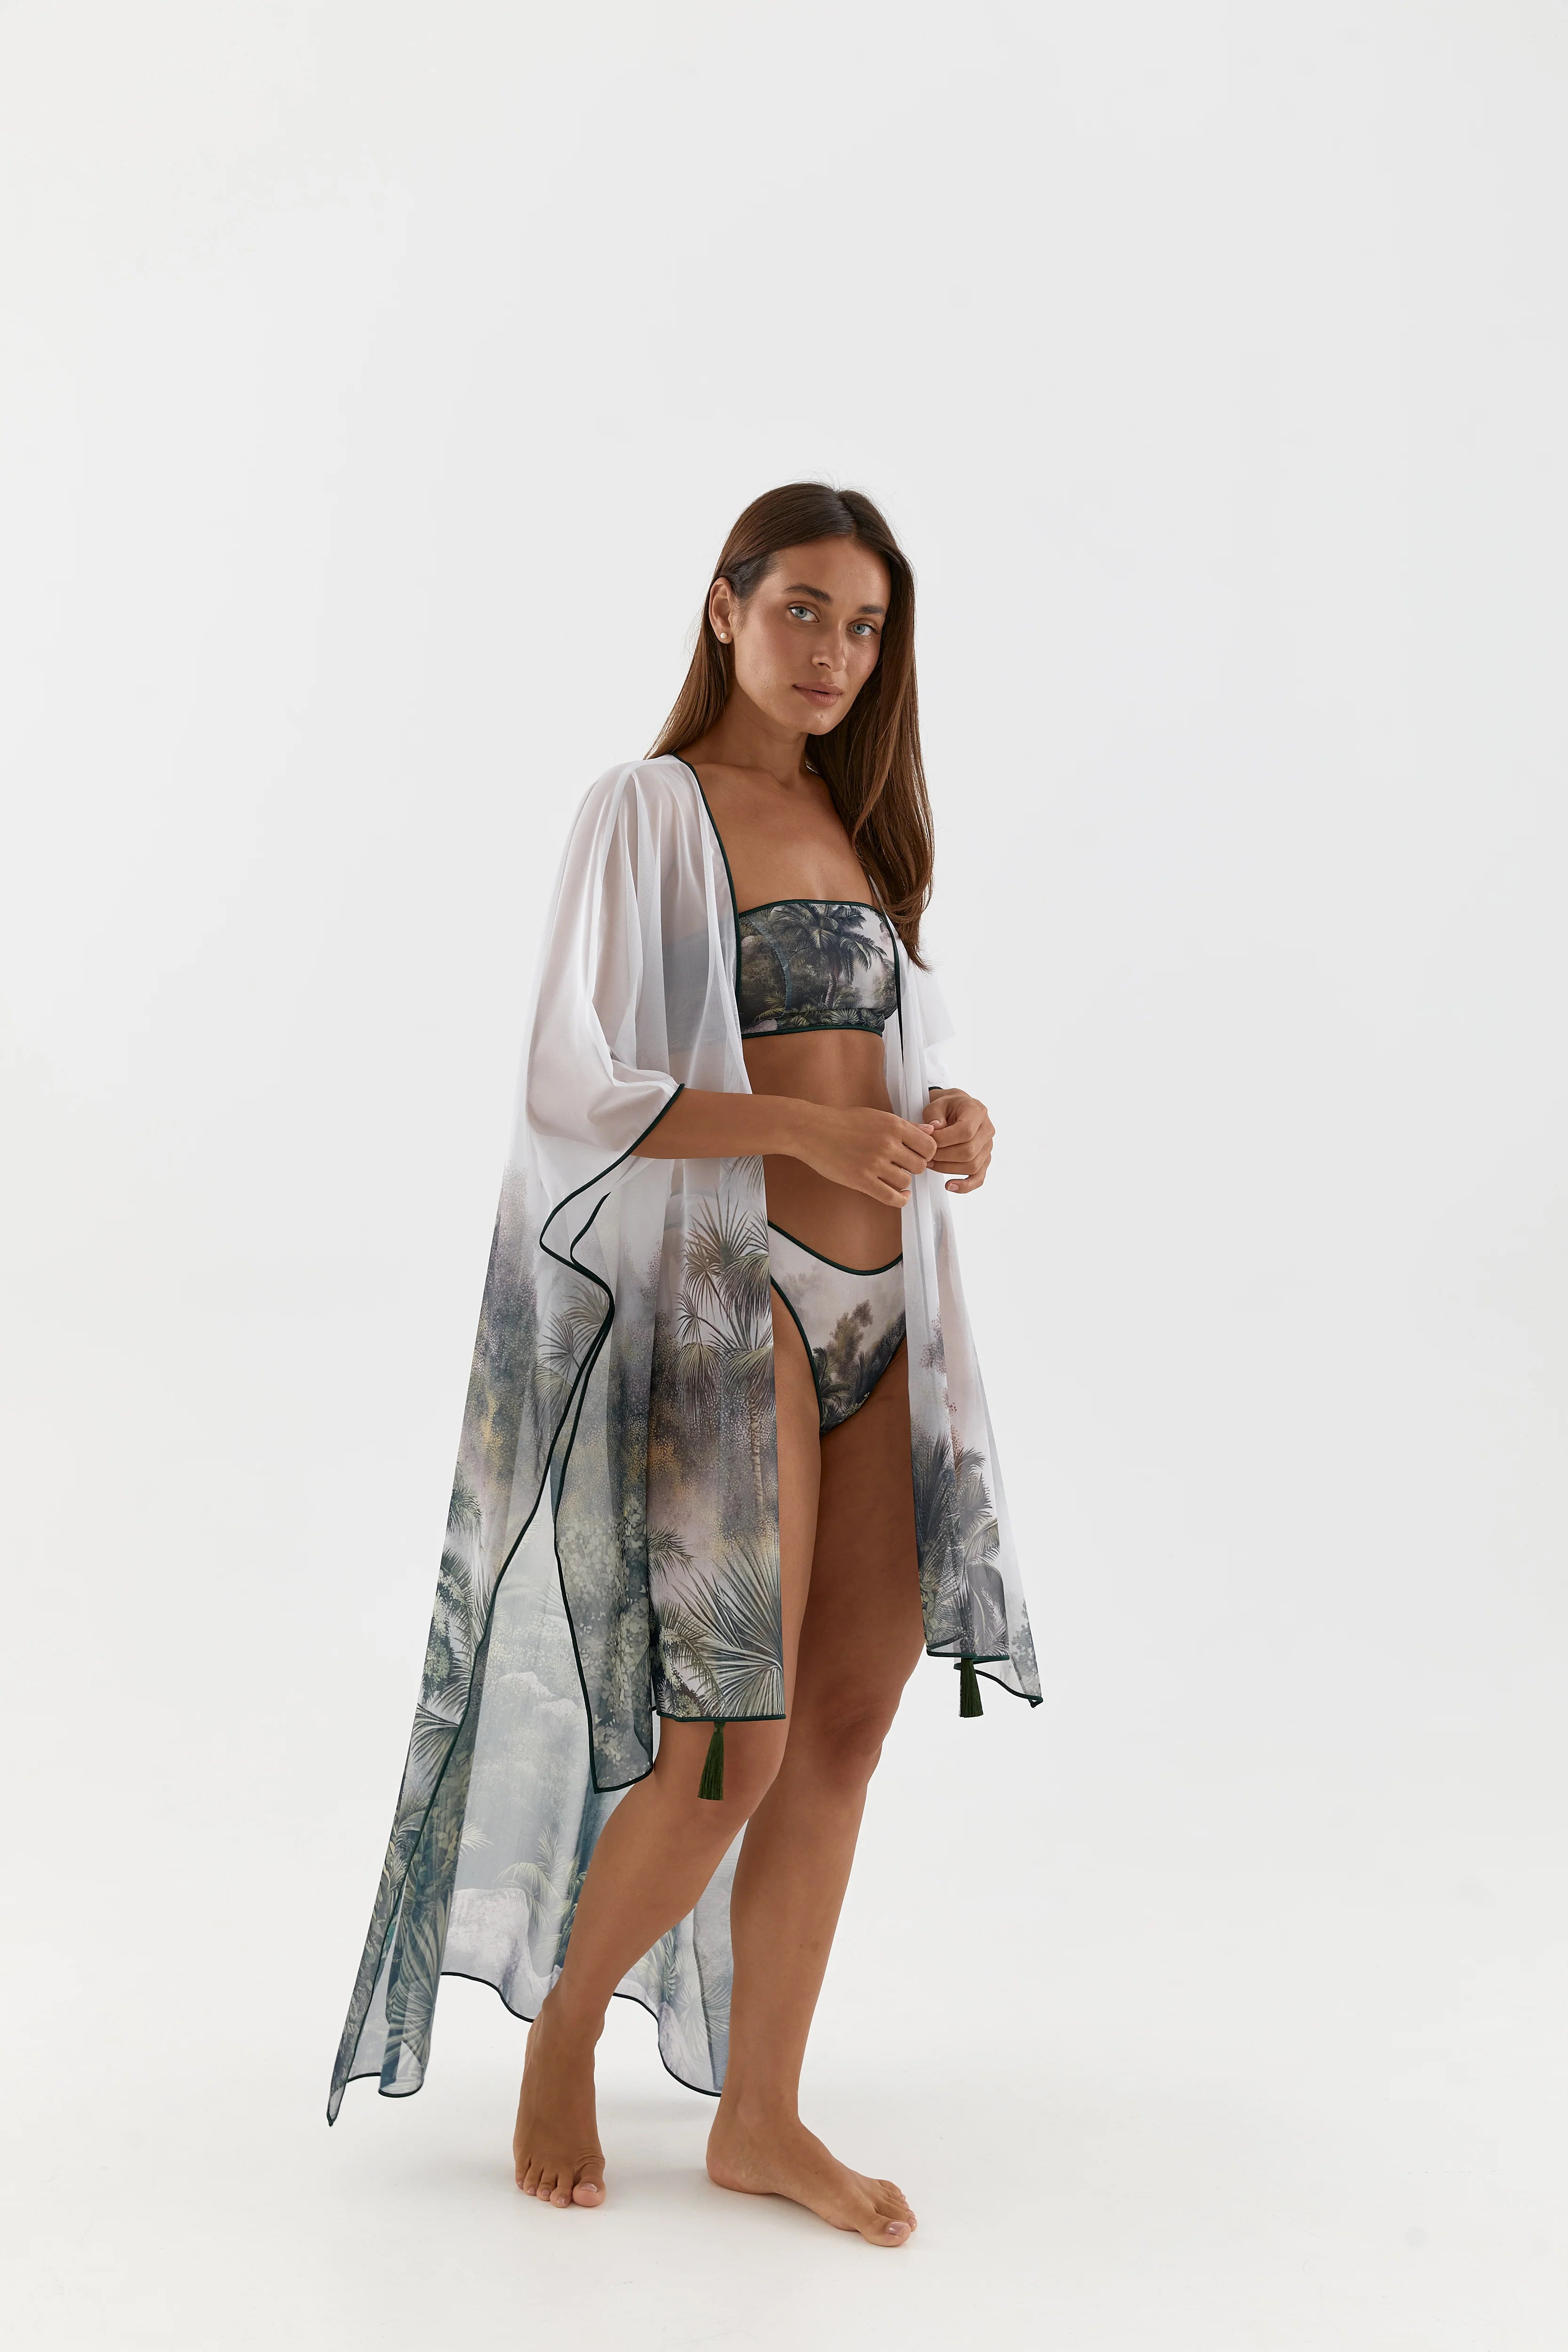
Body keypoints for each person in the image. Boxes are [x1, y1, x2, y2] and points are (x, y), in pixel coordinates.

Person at [327, 483, 1040, 2248]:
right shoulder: (651, 808)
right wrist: (803, 1137)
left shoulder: (865, 827)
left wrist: (949, 1118)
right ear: (724, 608)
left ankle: (763, 2117)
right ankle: (568, 2025)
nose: (835, 653)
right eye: (803, 610)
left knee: (848, 1726)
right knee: (733, 1735)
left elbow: (877, 1064)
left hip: (894, 1311)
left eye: (864, 628)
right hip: (744, 1312)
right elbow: (573, 1082)